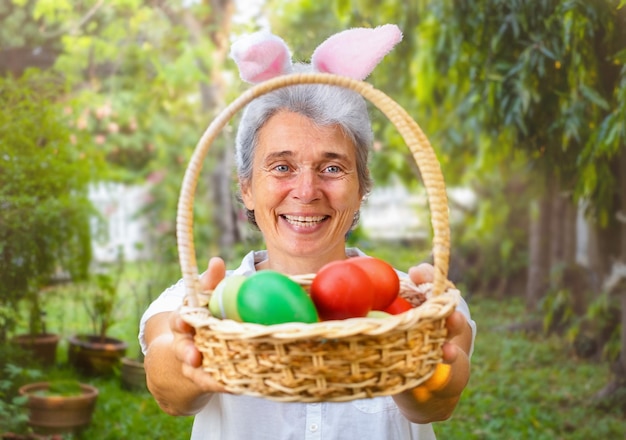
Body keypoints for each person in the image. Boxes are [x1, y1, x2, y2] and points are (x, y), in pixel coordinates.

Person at [139, 24, 476, 440]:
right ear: (246, 187)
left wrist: (426, 363)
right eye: (281, 167)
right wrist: (189, 353)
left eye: (332, 168)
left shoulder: (414, 306)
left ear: (362, 186)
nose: (306, 191)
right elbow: (167, 387)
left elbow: (434, 405)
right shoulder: (199, 303)